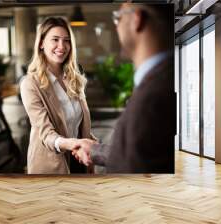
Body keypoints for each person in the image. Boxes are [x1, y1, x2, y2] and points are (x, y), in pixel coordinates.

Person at [72, 3, 176, 173]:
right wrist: (94, 150)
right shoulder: (161, 80)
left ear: (137, 19)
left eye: (118, 18)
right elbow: (140, 152)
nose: (116, 26)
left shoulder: (153, 98)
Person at [20, 17, 96, 174]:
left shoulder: (75, 79)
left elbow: (79, 126)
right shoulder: (30, 84)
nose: (62, 46)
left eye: (67, 40)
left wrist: (93, 146)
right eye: (55, 39)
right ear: (41, 43)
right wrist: (75, 144)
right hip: (51, 166)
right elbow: (46, 134)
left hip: (79, 160)